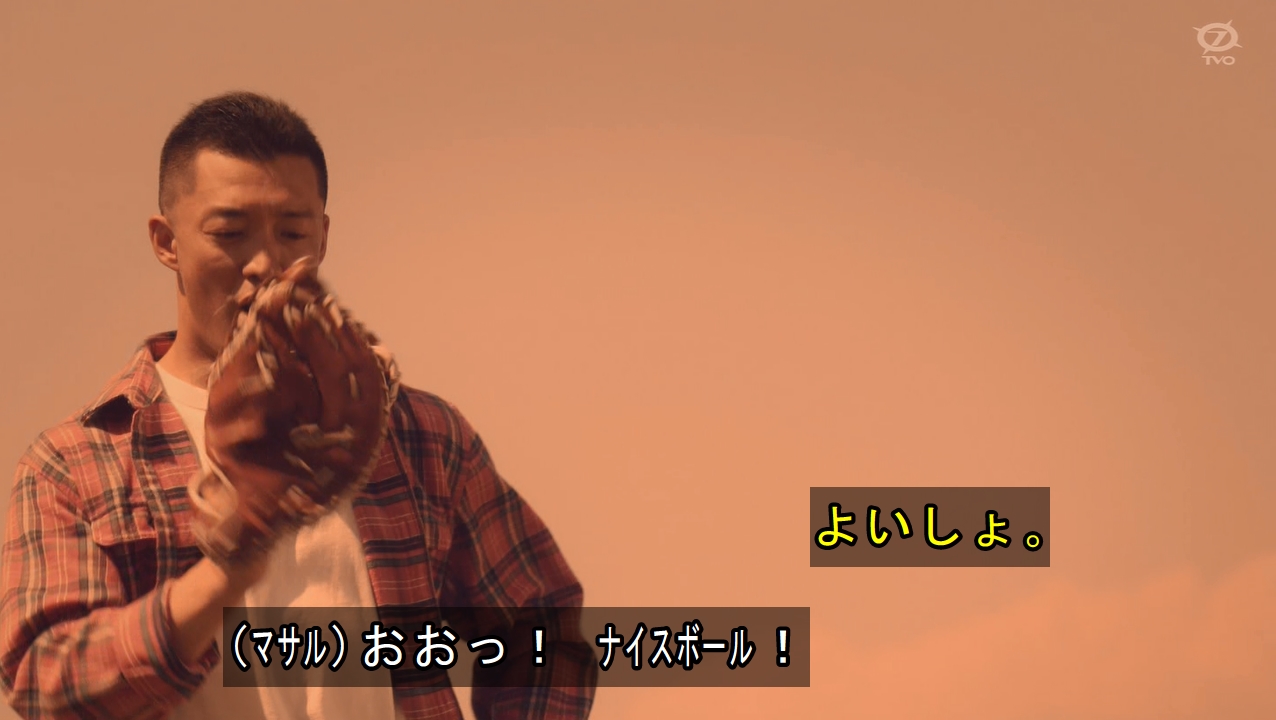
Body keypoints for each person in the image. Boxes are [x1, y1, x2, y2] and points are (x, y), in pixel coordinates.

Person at [0, 91, 595, 720]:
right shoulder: (75, 462)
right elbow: (44, 683)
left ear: (323, 236)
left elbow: (543, 622)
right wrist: (226, 571)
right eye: (229, 233)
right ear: (166, 241)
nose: (265, 263)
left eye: (292, 232)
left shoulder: (418, 431)